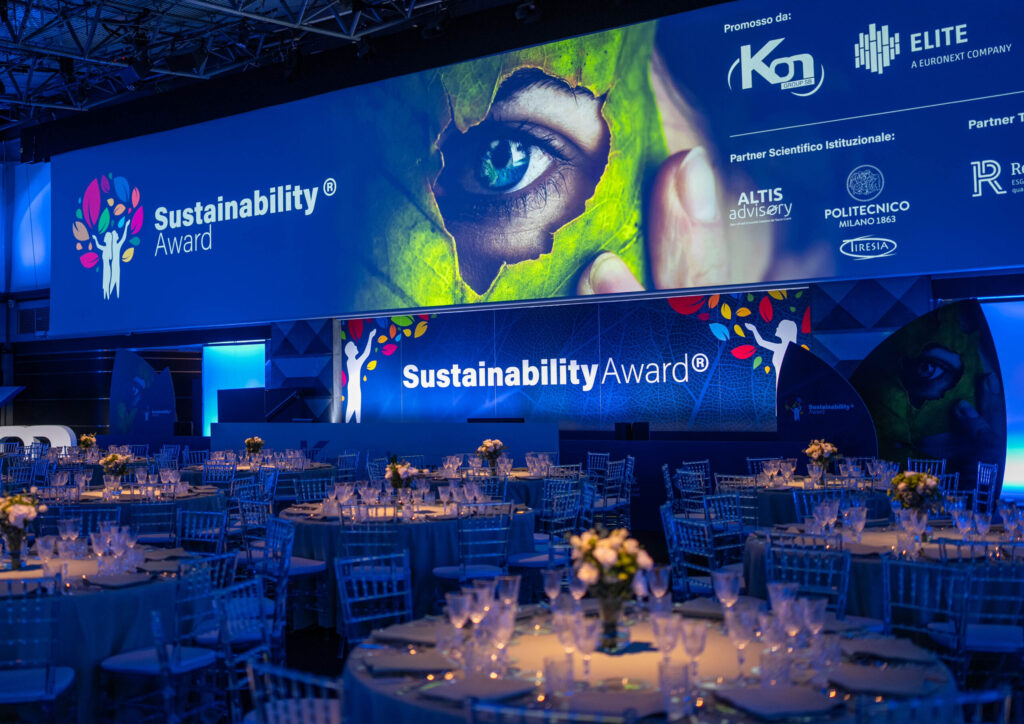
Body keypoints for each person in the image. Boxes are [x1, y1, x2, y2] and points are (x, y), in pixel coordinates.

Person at [344, 336, 374, 424]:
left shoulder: (351, 361)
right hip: (354, 388)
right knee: (353, 409)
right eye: (354, 346)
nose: (356, 347)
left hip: (354, 387)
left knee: (355, 410)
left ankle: (352, 427)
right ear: (351, 351)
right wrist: (370, 337)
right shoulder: (353, 362)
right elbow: (366, 353)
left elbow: (365, 354)